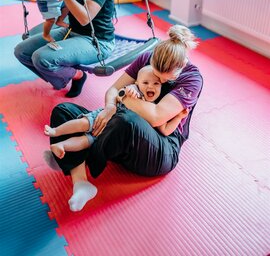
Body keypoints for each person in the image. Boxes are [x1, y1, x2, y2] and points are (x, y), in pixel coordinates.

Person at [46, 25, 203, 212]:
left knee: (125, 120)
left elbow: (155, 118)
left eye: (164, 79)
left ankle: (75, 155)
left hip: (159, 148)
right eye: (155, 74)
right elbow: (112, 90)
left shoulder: (192, 79)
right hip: (121, 136)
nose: (158, 82)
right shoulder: (148, 57)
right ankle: (81, 183)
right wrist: (110, 107)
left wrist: (122, 96)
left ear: (181, 67)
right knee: (63, 111)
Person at [44, 65, 188, 160]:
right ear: (138, 84)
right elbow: (124, 91)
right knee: (84, 123)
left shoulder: (156, 106)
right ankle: (56, 131)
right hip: (108, 117)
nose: (150, 86)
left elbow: (165, 129)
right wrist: (131, 90)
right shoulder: (137, 91)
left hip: (113, 131)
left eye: (156, 84)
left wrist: (179, 117)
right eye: (145, 83)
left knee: (87, 141)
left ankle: (62, 146)